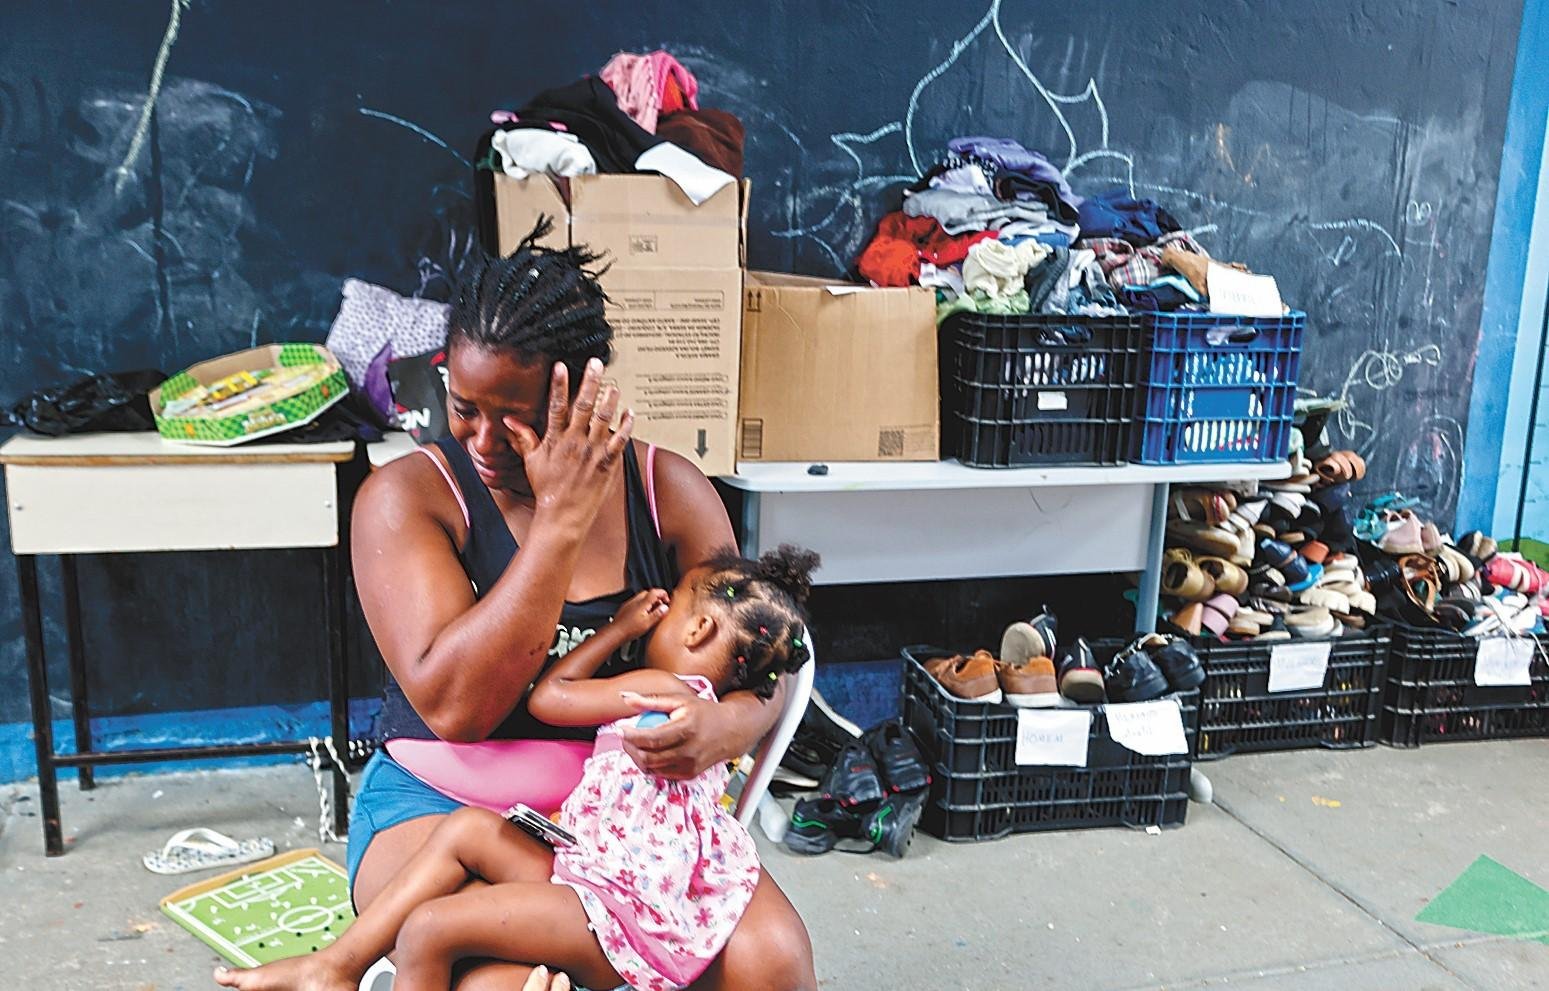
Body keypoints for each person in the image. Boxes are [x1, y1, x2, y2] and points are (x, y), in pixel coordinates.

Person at [336, 225, 817, 989]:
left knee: (772, 959)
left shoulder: (669, 492)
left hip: (630, 819)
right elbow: (460, 708)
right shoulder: (408, 499)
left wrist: (731, 722)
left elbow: (767, 646)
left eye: (517, 417)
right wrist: (559, 522)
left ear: (583, 391)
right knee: (502, 978)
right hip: (445, 803)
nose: (485, 441)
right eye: (464, 408)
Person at [215, 547, 818, 991]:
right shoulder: (704, 708)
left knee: (429, 929)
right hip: (611, 877)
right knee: (468, 830)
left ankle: (339, 968)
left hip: (616, 910)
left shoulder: (660, 690)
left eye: (669, 609)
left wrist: (617, 630)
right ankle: (334, 969)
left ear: (699, 628)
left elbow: (550, 697)